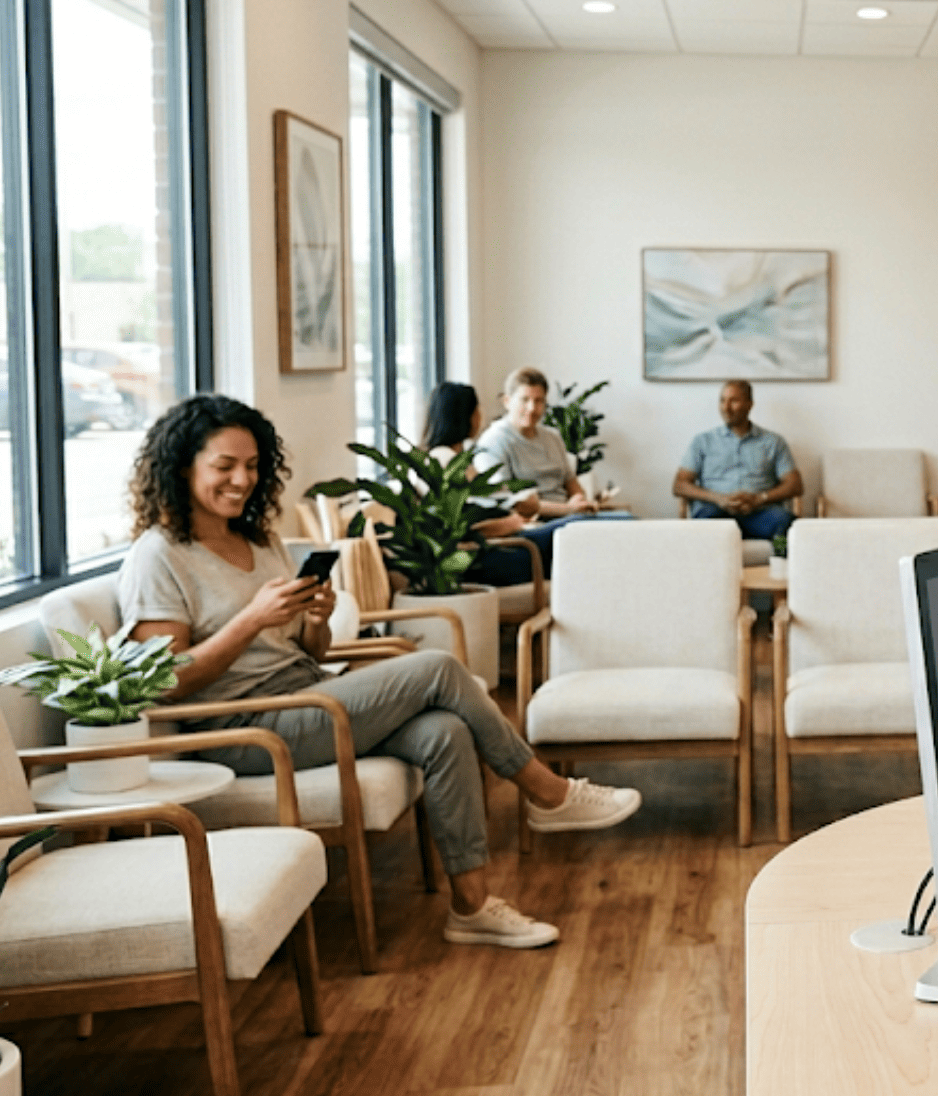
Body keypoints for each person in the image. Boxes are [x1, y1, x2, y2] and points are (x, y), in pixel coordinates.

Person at [118, 394, 644, 949]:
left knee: (444, 732)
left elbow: (311, 652)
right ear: (182, 467)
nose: (241, 480)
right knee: (438, 667)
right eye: (224, 466)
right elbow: (166, 682)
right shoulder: (159, 556)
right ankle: (547, 791)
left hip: (306, 696)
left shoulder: (257, 539)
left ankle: (471, 907)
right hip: (243, 731)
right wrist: (251, 619)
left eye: (251, 466)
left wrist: (314, 619)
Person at [422, 380, 583, 587]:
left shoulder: (455, 458)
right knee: (576, 532)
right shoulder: (445, 460)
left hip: (499, 546)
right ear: (466, 416)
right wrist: (514, 522)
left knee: (582, 530)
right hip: (481, 559)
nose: (481, 415)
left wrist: (518, 505)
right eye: (476, 408)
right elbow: (462, 525)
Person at [673, 379, 802, 542]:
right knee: (704, 526)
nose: (726, 408)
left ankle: (780, 564)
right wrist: (719, 498)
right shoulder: (703, 441)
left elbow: (795, 485)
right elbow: (680, 485)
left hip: (760, 513)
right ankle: (711, 567)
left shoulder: (773, 442)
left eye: (733, 401)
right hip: (716, 512)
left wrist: (759, 498)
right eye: (722, 401)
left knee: (786, 524)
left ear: (749, 404)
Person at [472, 367, 604, 519]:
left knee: (627, 523)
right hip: (533, 522)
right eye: (525, 400)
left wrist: (578, 499)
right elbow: (508, 501)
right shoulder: (494, 441)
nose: (532, 408)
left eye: (539, 401)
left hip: (569, 515)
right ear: (507, 401)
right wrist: (568, 509)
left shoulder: (553, 437)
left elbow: (571, 481)